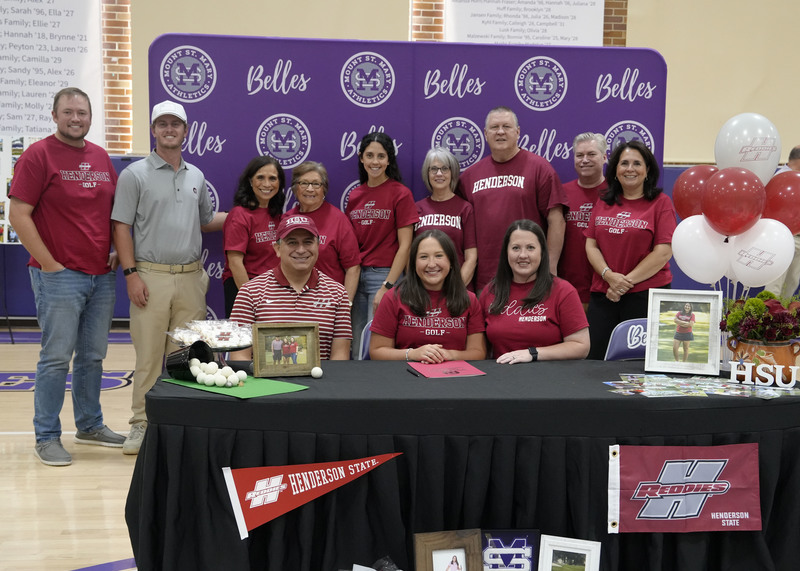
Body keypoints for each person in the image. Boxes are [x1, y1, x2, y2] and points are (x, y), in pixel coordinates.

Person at [8, 87, 125, 466]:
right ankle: (47, 436)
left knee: (92, 356)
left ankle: (90, 424)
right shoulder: (37, 155)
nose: (76, 118)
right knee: (56, 358)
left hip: (100, 275)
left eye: (83, 113)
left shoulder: (101, 157)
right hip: (59, 275)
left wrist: (114, 251)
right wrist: (48, 263)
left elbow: (111, 211)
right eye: (69, 112)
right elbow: (19, 214)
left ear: (91, 118)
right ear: (55, 115)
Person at [112, 100, 227, 454]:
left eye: (175, 124)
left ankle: (178, 422)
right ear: (153, 130)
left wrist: (248, 218)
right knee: (148, 357)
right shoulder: (135, 174)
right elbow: (121, 226)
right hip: (151, 276)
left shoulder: (196, 175)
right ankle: (140, 424)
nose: (169, 129)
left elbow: (207, 220)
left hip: (191, 278)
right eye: (161, 124)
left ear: (186, 130)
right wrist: (131, 274)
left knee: (187, 356)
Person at [457, 106, 568, 292]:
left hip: (530, 274)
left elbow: (556, 220)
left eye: (506, 126)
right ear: (485, 134)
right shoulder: (469, 177)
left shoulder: (540, 168)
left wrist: (550, 267)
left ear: (517, 132)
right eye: (494, 127)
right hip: (485, 277)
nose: (500, 131)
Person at [584, 140, 676, 360]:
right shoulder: (603, 202)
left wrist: (623, 284)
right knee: (596, 361)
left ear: (648, 170)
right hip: (604, 294)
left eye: (637, 163)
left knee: (641, 364)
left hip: (647, 296)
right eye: (624, 163)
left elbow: (663, 251)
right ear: (615, 170)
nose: (630, 168)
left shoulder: (661, 203)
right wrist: (609, 277)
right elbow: (591, 244)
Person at [230, 214, 352, 360]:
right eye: (292, 242)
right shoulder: (250, 292)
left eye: (308, 242)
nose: (301, 250)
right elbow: (239, 357)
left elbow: (340, 357)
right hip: (265, 382)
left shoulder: (338, 293)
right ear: (277, 249)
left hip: (322, 380)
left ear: (318, 247)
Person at [346, 132, 419, 357]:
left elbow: (406, 246)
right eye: (370, 155)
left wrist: (386, 286)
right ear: (361, 158)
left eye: (381, 156)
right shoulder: (355, 195)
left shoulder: (401, 193)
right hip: (357, 277)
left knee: (375, 347)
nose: (375, 162)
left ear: (389, 160)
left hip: (386, 275)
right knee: (357, 346)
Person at [481, 220, 589, 363]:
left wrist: (533, 353)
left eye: (531, 248)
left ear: (542, 252)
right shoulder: (490, 292)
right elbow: (479, 348)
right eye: (515, 248)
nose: (523, 255)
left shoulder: (563, 291)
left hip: (551, 376)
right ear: (506, 252)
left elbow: (581, 346)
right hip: (502, 377)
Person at [370, 230, 485, 362]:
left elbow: (478, 353)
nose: (431, 264)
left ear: (451, 261)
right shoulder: (393, 298)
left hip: (454, 376)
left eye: (439, 256)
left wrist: (450, 355)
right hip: (406, 375)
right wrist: (412, 354)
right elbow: (377, 351)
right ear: (413, 263)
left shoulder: (469, 300)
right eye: (423, 257)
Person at [285, 161, 361, 301]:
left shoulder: (338, 220)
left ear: (324, 189)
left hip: (328, 302)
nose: (310, 189)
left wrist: (345, 305)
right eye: (304, 183)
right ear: (295, 188)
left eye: (316, 184)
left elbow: (353, 268)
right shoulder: (287, 219)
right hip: (292, 301)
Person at [221, 156, 284, 318]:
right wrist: (252, 299)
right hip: (244, 289)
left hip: (273, 290)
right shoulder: (239, 215)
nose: (267, 184)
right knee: (246, 342)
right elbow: (235, 263)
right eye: (260, 177)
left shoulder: (277, 214)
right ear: (250, 181)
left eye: (273, 178)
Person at [558, 133, 608, 310]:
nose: (584, 160)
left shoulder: (617, 194)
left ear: (604, 157)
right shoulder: (561, 193)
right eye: (579, 155)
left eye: (591, 154)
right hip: (568, 290)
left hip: (607, 290)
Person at [415, 147, 477, 287]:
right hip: (424, 289)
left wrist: (456, 289)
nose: (439, 174)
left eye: (444, 169)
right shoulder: (417, 208)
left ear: (452, 173)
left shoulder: (465, 208)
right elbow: (411, 255)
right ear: (427, 173)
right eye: (434, 169)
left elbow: (471, 257)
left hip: (458, 289)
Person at [764, 144, 800, 298]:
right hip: (781, 237)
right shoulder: (777, 179)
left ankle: (782, 319)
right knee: (775, 285)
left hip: (798, 238)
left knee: (792, 283)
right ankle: (766, 320)